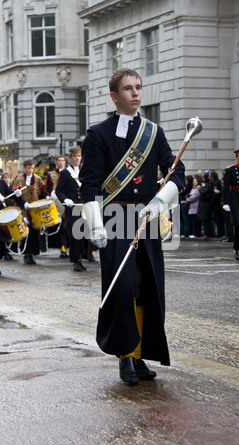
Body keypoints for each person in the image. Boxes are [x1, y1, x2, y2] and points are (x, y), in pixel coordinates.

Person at [79, 68, 185, 385]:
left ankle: (140, 355)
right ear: (114, 96)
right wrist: (94, 223)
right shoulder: (98, 135)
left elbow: (177, 174)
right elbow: (89, 186)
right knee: (124, 289)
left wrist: (159, 202)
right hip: (114, 222)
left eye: (139, 87)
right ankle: (126, 355)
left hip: (147, 221)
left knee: (147, 288)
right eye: (128, 88)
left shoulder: (154, 133)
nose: (136, 93)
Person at [56, 146, 88, 272]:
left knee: (85, 233)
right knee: (75, 235)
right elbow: (58, 190)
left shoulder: (84, 170)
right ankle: (76, 260)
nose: (77, 158)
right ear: (70, 158)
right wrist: (65, 200)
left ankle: (82, 256)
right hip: (72, 207)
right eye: (75, 156)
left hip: (84, 206)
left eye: (79, 156)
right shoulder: (65, 173)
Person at [13, 158, 47, 265]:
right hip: (24, 209)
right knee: (27, 232)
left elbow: (42, 193)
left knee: (35, 232)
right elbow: (15, 196)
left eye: (32, 168)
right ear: (24, 168)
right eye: (28, 168)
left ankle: (33, 253)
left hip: (35, 209)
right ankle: (26, 254)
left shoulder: (38, 179)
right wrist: (23, 203)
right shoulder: (19, 179)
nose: (30, 170)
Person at [46, 155, 68, 258]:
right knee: (60, 225)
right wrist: (50, 194)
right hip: (55, 201)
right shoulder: (51, 175)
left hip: (67, 200)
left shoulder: (69, 173)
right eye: (59, 160)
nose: (61, 162)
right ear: (56, 162)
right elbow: (47, 188)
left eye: (63, 160)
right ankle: (62, 247)